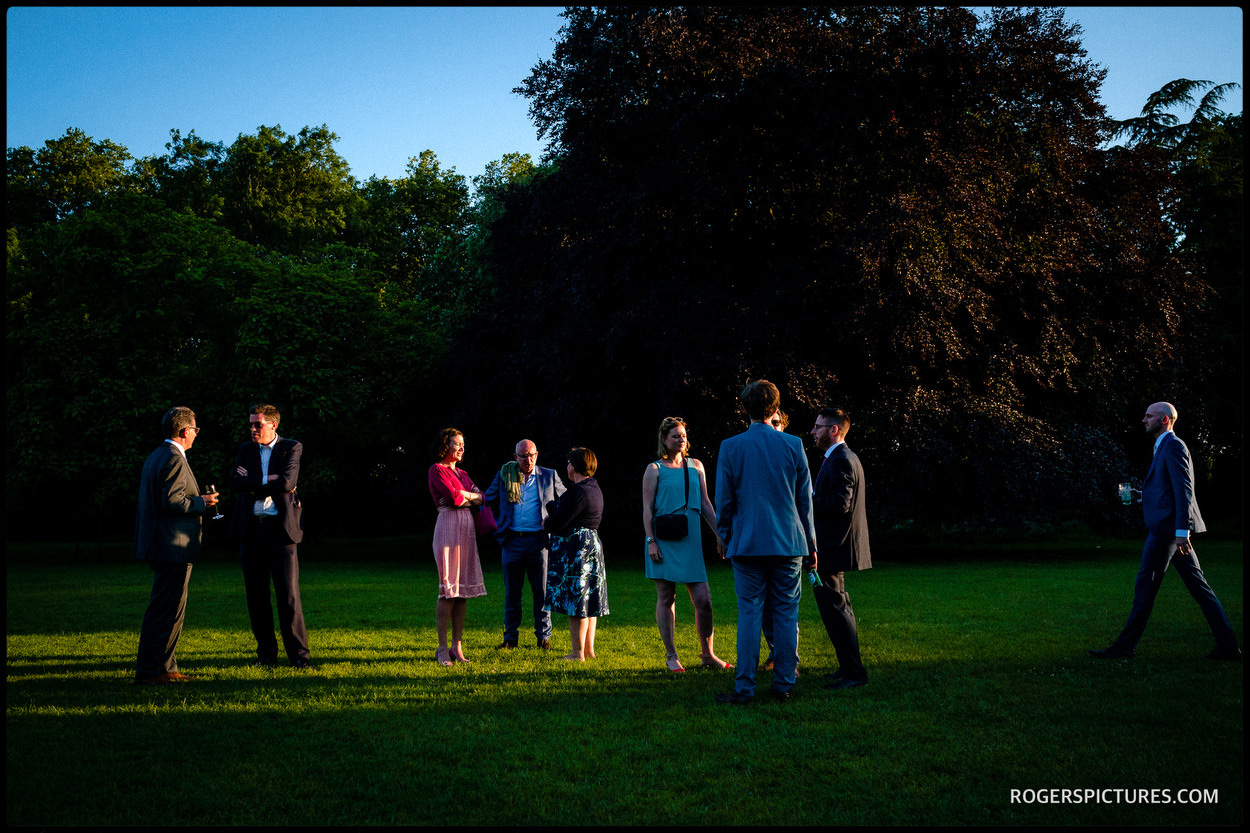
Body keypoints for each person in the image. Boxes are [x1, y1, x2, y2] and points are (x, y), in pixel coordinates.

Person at [1091, 402, 1240, 661]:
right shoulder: (1162, 446)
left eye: (1149, 416)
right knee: (1199, 589)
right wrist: (1141, 495)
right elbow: (1168, 490)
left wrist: (1183, 532)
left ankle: (1125, 646)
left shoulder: (1173, 446)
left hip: (1167, 532)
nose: (1143, 419)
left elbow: (1184, 491)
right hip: (1171, 530)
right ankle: (1228, 646)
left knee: (1144, 589)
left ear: (1165, 420)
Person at [714, 380, 817, 705]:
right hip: (788, 541)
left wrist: (725, 536)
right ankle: (784, 684)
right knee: (787, 613)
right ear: (775, 408)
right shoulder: (793, 445)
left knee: (749, 614)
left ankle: (745, 688)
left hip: (747, 542)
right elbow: (805, 502)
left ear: (745, 408)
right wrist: (811, 544)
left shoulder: (731, 447)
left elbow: (724, 500)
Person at [133, 406, 219, 685]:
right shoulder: (173, 458)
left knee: (165, 609)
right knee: (167, 611)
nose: (196, 434)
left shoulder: (156, 455)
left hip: (162, 545)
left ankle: (165, 667)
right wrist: (202, 503)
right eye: (195, 429)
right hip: (173, 547)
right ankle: (154, 671)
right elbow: (172, 502)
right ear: (185, 431)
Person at [642, 417, 730, 672]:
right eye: (675, 436)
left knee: (704, 599)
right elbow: (647, 509)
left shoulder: (696, 466)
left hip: (690, 539)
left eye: (683, 435)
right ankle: (671, 655)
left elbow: (704, 503)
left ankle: (708, 654)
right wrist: (651, 541)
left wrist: (719, 534)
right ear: (664, 440)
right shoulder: (654, 469)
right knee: (666, 596)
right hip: (662, 539)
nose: (681, 440)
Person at [227, 404, 311, 669]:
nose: (252, 429)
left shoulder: (291, 447)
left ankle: (299, 657)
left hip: (281, 531)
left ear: (273, 425)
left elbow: (287, 482)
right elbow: (235, 483)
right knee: (256, 597)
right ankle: (266, 656)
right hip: (251, 530)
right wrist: (267, 480)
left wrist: (253, 481)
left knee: (289, 597)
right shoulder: (245, 449)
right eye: (251, 424)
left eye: (257, 424)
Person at [484, 439, 566, 650]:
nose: (527, 460)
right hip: (512, 541)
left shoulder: (549, 475)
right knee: (512, 593)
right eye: (523, 456)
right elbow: (487, 497)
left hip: (539, 542)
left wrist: (556, 521)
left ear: (537, 455)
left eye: (531, 455)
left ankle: (543, 637)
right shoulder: (505, 475)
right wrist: (464, 499)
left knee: (542, 592)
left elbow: (567, 499)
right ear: (515, 457)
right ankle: (510, 638)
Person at [810, 408, 871, 689]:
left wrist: (807, 500)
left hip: (833, 548)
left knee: (837, 609)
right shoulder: (842, 458)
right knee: (837, 608)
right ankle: (847, 668)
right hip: (835, 547)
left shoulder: (842, 460)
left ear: (833, 430)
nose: (813, 431)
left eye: (818, 426)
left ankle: (853, 673)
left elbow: (839, 505)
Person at [428, 428, 488, 666]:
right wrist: (466, 496)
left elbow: (482, 497)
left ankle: (457, 646)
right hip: (448, 527)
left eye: (463, 444)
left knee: (462, 592)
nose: (462, 448)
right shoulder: (436, 470)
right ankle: (442, 649)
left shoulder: (462, 473)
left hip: (467, 529)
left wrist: (464, 494)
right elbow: (453, 500)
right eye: (457, 444)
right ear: (446, 445)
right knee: (448, 589)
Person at [544, 447, 607, 661]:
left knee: (577, 601)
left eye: (569, 462)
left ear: (574, 466)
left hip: (577, 548)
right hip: (592, 545)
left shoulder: (578, 491)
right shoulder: (594, 488)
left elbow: (559, 521)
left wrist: (547, 521)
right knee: (588, 601)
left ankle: (577, 652)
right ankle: (589, 650)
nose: (567, 466)